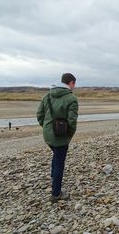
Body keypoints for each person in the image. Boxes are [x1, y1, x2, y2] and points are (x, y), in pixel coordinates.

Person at [37, 73, 79, 202]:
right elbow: (72, 121)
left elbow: (39, 115)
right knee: (59, 163)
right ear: (71, 83)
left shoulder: (47, 95)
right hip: (61, 136)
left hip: (48, 134)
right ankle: (56, 194)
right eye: (74, 84)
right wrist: (68, 135)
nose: (74, 87)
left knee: (56, 156)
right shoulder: (71, 99)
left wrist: (47, 128)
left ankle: (53, 177)